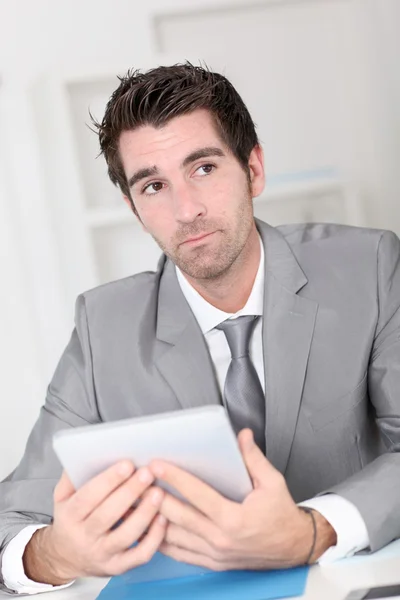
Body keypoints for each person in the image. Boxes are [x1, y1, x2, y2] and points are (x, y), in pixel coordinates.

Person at [1, 62, 400, 595]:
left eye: (204, 168)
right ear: (134, 208)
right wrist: (55, 554)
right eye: (154, 185)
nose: (185, 209)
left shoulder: (369, 267)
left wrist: (313, 531)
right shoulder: (103, 327)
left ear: (253, 169)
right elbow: (13, 517)